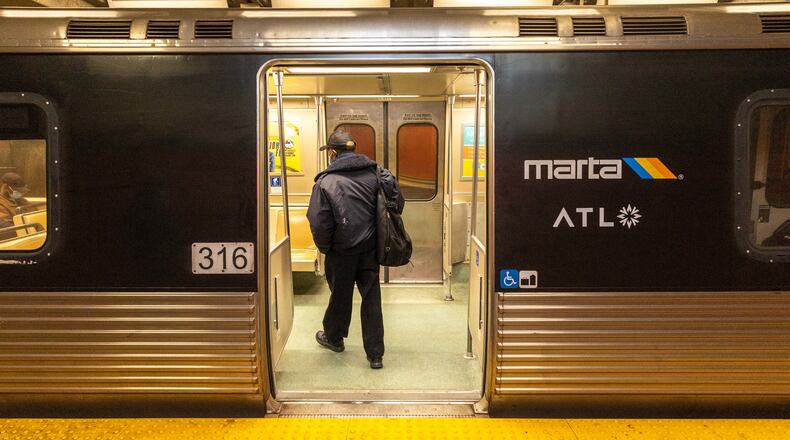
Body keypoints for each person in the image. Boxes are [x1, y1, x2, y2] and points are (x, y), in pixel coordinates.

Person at [307, 129, 404, 369]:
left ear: (332, 153)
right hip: (370, 249)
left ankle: (334, 338)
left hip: (341, 252)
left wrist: (326, 248)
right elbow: (397, 204)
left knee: (340, 295)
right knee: (371, 298)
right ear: (353, 149)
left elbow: (319, 222)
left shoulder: (326, 182)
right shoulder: (376, 173)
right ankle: (375, 355)